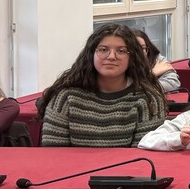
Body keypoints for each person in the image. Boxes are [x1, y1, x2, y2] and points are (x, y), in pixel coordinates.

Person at [39, 24, 168, 147]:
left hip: (127, 164)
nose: (111, 57)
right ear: (91, 54)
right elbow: (55, 154)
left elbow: (143, 156)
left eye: (121, 51)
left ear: (132, 57)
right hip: (74, 164)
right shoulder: (65, 97)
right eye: (103, 50)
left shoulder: (148, 99)